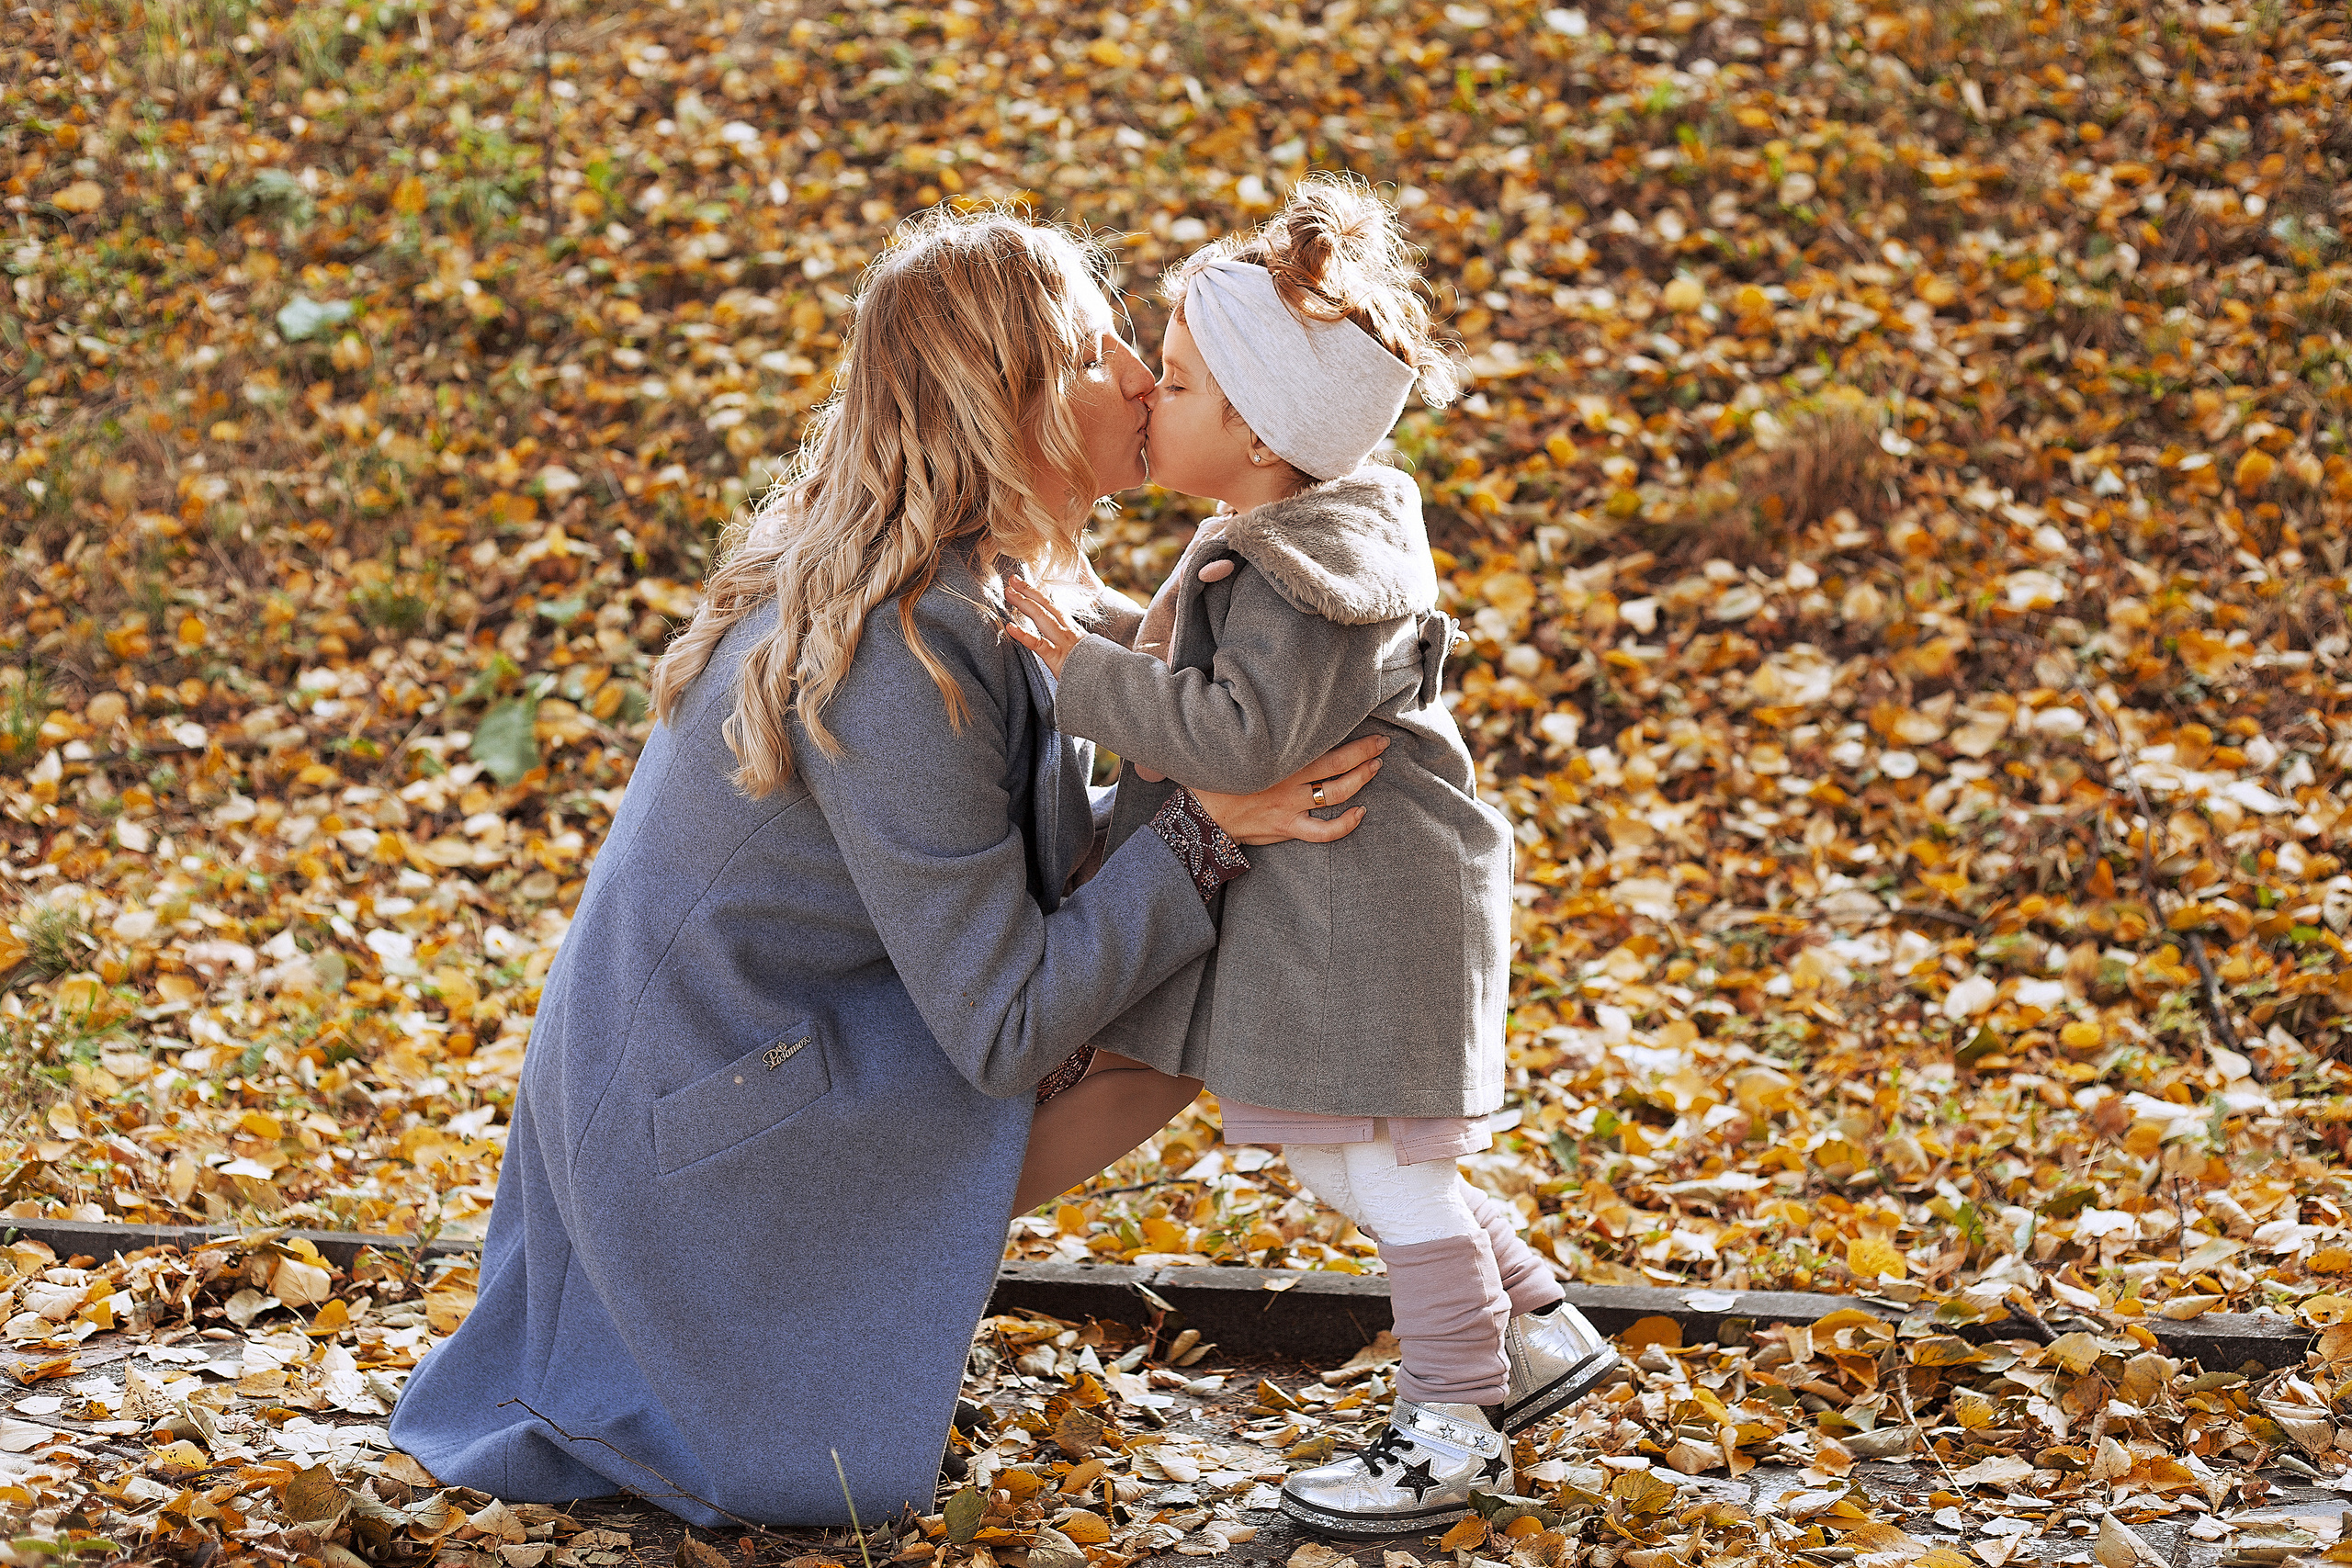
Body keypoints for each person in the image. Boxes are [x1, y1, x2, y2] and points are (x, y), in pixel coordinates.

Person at [385, 209, 1387, 1529]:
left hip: (733, 1062)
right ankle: (832, 1295)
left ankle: (892, 1286)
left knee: (1184, 960)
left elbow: (1014, 858)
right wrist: (1207, 828)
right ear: (1007, 406)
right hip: (693, 1148)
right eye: (1105, 356)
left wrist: (1205, 792)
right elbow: (1007, 1020)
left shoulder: (949, 584)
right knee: (1185, 1001)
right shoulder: (903, 652)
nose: (1147, 379)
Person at [1003, 176, 1618, 1536]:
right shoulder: (1287, 538)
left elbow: (1232, 731)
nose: (1144, 398)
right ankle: (1539, 1330)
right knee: (1370, 1165)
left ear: (1260, 431)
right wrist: (1096, 630)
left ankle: (1452, 1420)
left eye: (1168, 378)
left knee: (1385, 1173)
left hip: (1367, 915)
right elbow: (1188, 649)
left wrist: (1076, 675)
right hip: (1358, 906)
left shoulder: (1302, 577)